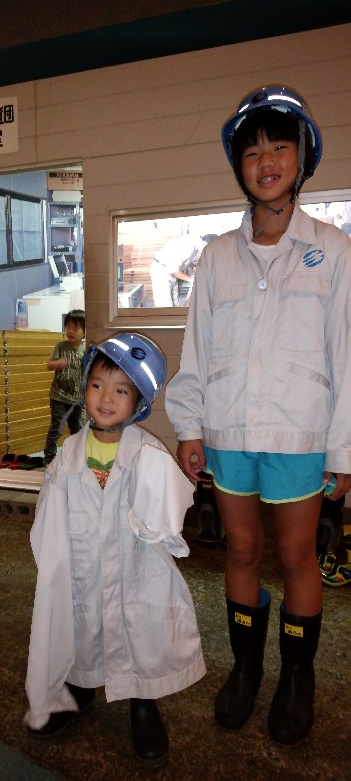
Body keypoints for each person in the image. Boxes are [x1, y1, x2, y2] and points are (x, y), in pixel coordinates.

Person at [165, 85, 351, 745]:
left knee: (298, 556)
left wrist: (343, 449)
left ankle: (296, 679)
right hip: (229, 431)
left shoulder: (333, 250)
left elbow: (346, 354)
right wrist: (190, 426)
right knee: (240, 549)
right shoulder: (217, 255)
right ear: (238, 166)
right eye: (251, 152)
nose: (265, 161)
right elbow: (196, 349)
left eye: (278, 147)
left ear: (302, 157)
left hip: (300, 434)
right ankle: (245, 669)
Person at [24, 332, 206, 768]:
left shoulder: (148, 454)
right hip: (83, 567)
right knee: (83, 624)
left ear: (138, 402)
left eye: (121, 390)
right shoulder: (67, 455)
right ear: (85, 387)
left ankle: (143, 699)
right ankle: (80, 683)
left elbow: (169, 516)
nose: (106, 398)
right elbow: (49, 518)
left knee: (137, 630)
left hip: (135, 571)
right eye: (97, 385)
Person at [43, 308, 86, 467]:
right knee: (57, 427)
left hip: (76, 398)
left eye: (75, 328)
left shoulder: (85, 350)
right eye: (67, 327)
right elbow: (49, 365)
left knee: (77, 428)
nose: (70, 331)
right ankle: (49, 458)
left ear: (84, 331)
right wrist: (57, 363)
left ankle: (77, 458)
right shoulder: (61, 346)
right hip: (58, 396)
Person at [150, 235, 198, 306]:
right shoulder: (189, 246)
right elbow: (174, 270)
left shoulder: (196, 248)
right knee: (164, 305)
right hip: (162, 271)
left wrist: (193, 267)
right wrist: (191, 279)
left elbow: (185, 260)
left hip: (171, 270)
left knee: (175, 302)